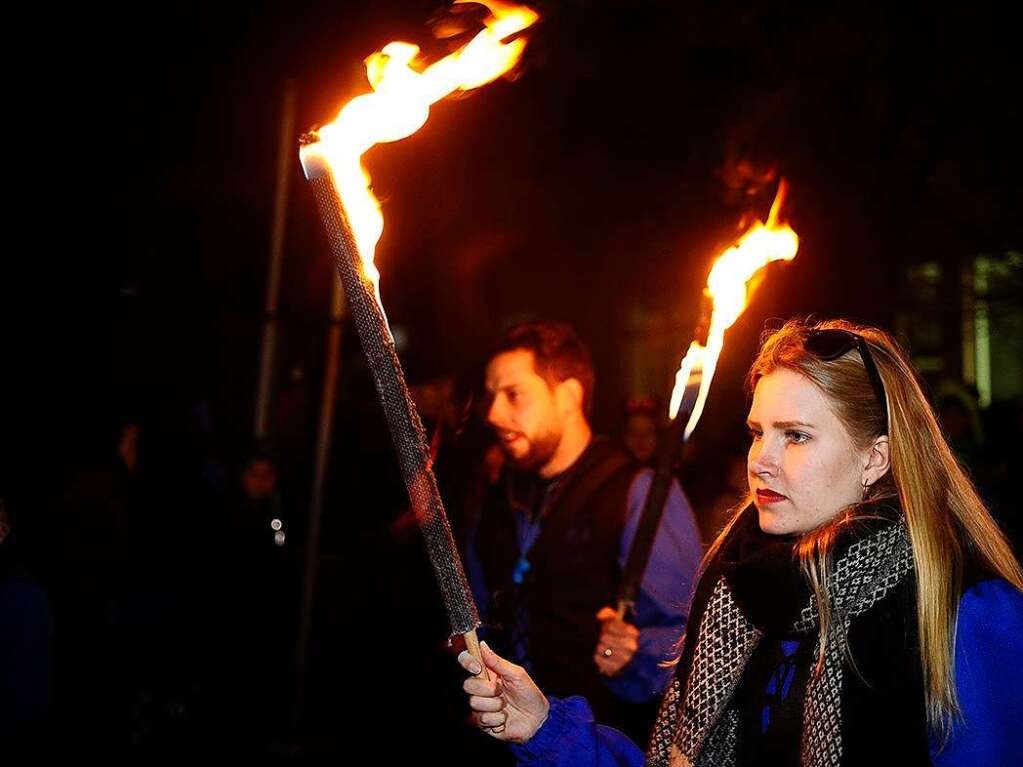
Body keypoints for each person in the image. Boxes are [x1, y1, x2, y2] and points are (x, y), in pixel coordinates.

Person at [458, 318, 1023, 766]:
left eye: (796, 436)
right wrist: (544, 727)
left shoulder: (962, 611)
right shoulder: (743, 595)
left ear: (874, 458)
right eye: (758, 433)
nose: (762, 462)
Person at [467, 322, 703, 742]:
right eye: (492, 396)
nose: (493, 414)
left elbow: (690, 644)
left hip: (595, 742)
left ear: (569, 396)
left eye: (514, 395)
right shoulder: (500, 494)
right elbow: (479, 607)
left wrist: (636, 657)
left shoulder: (639, 493)